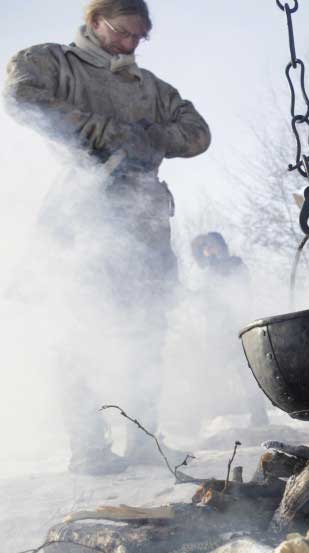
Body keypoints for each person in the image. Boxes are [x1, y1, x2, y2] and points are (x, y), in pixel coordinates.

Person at [4, 0, 211, 474]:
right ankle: (89, 448)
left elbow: (198, 132)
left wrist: (155, 139)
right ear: (96, 21)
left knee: (147, 330)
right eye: (123, 33)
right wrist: (98, 129)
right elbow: (20, 95)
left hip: (146, 223)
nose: (131, 44)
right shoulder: (52, 62)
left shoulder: (151, 88)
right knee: (81, 327)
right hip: (83, 215)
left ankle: (142, 440)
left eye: (140, 38)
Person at [190, 232, 269, 427]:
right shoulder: (204, 273)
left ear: (221, 246)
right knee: (209, 372)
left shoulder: (234, 264)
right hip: (215, 329)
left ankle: (259, 416)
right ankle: (206, 419)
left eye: (212, 246)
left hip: (237, 325)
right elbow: (201, 300)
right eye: (205, 248)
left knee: (247, 371)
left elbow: (242, 291)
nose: (209, 251)